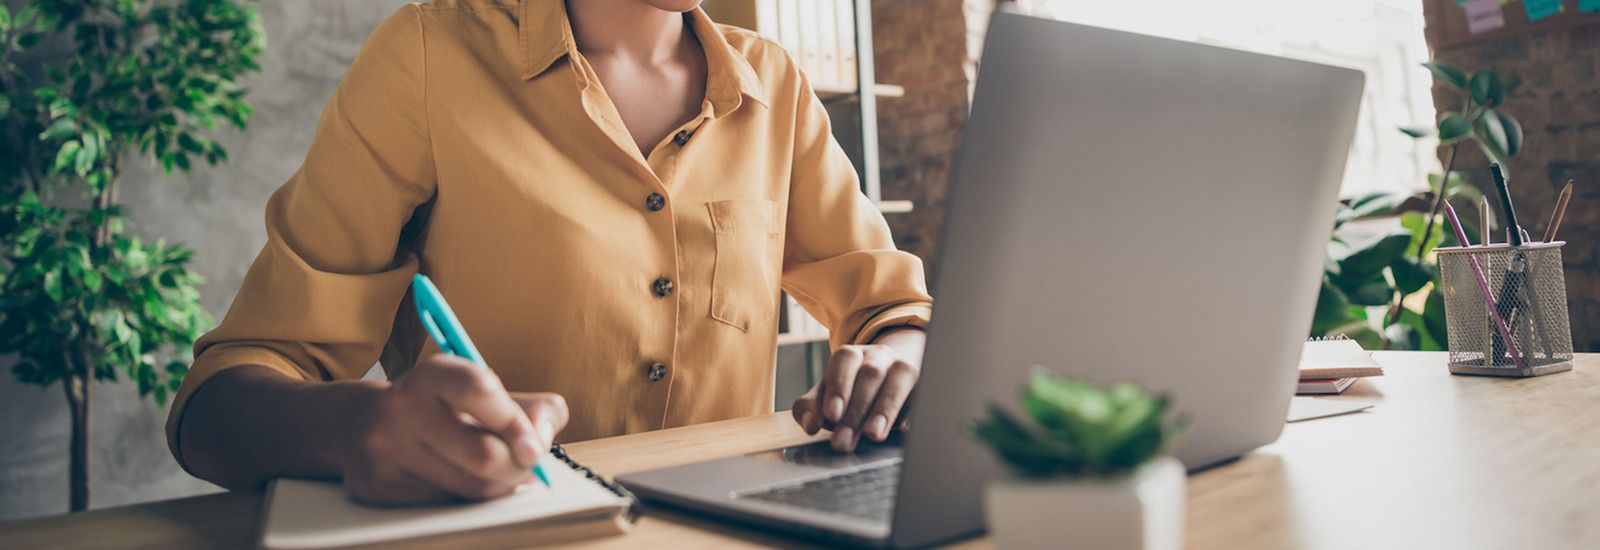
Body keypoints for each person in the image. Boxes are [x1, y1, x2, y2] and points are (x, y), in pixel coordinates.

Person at [166, 0, 932, 505]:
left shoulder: (776, 84)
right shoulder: (427, 57)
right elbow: (215, 411)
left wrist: (897, 355)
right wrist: (355, 429)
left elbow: (892, 311)